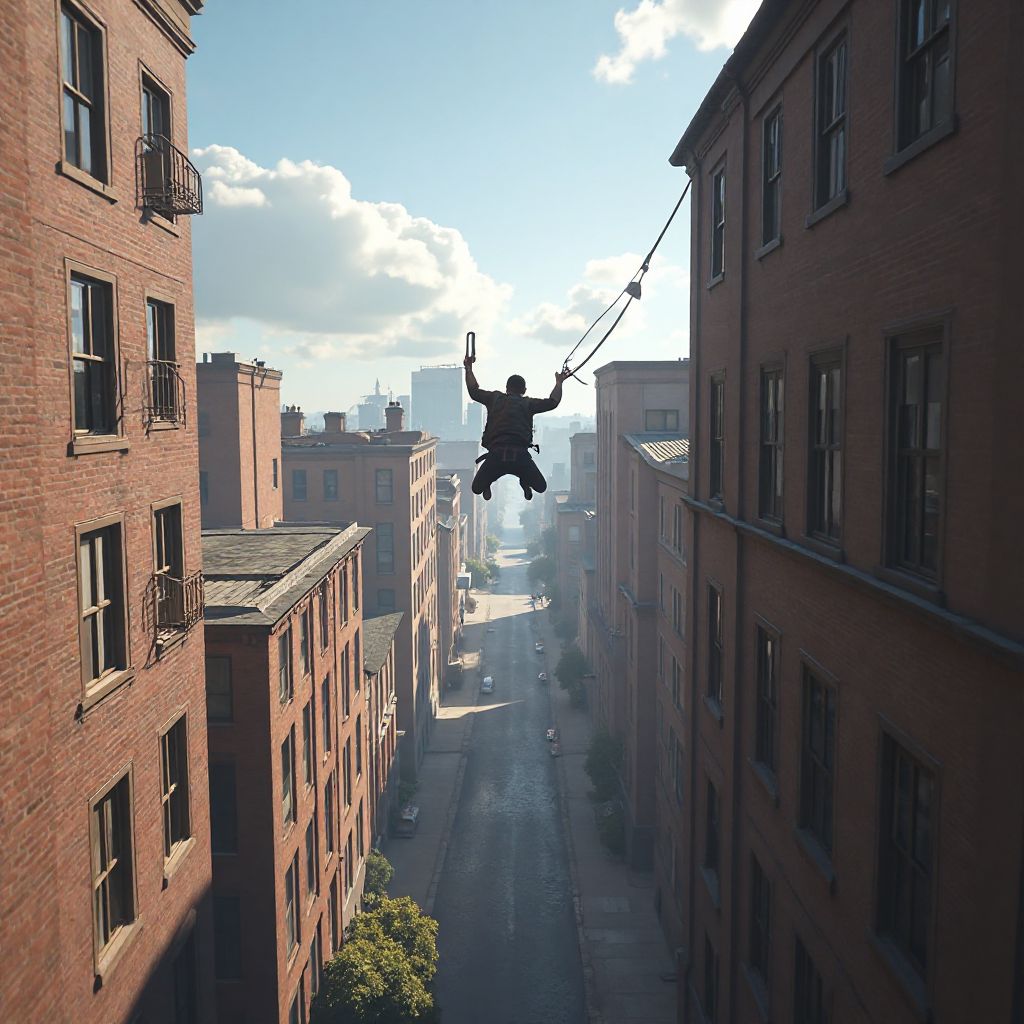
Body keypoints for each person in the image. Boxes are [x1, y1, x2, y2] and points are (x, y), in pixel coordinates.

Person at [464, 354, 570, 500]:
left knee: (477, 489)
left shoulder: (495, 398)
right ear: (524, 390)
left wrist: (468, 368)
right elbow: (553, 402)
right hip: (520, 457)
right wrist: (559, 383)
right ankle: (524, 480)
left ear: (506, 388)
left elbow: (473, 391)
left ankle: (489, 481)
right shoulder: (528, 404)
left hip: (496, 456)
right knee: (541, 487)